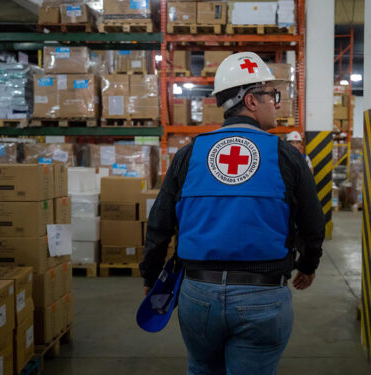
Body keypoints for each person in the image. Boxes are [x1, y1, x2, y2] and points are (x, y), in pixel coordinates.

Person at [139, 52, 325, 375]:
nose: (276, 103)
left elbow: (159, 224)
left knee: (201, 368)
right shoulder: (286, 157)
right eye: (271, 95)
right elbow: (312, 225)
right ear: (251, 101)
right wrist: (308, 265)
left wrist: (151, 275)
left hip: (198, 296)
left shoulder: (188, 155)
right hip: (263, 297)